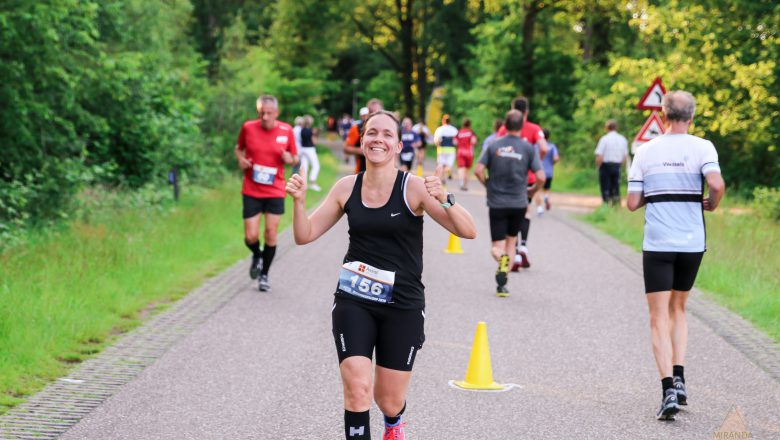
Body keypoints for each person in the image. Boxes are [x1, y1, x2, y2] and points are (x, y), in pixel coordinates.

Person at [285, 111, 477, 439]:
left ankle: (393, 422)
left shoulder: (413, 188)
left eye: (387, 134)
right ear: (361, 141)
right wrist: (299, 203)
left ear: (398, 145)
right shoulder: (346, 188)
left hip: (402, 303)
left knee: (387, 400)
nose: (378, 139)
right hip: (354, 299)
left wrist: (444, 197)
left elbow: (468, 230)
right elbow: (305, 235)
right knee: (358, 390)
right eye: (371, 133)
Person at [626, 91, 725, 421]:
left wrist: (651, 196)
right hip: (692, 243)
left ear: (663, 114)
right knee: (679, 309)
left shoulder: (645, 150)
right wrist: (713, 202)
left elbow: (631, 202)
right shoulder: (703, 147)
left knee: (658, 317)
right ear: (692, 116)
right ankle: (680, 379)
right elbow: (716, 183)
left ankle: (668, 388)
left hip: (658, 244)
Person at [475, 110, 544, 297]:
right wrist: (533, 190)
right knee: (512, 241)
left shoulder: (493, 145)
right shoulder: (528, 148)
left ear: (505, 125)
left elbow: (478, 170)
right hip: (519, 203)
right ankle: (503, 283)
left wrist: (487, 185)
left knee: (497, 246)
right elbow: (541, 177)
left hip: (497, 202)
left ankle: (501, 259)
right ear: (522, 126)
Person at [234, 95, 298, 291]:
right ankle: (257, 254)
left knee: (271, 233)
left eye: (269, 113)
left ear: (276, 113)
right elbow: (238, 149)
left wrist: (289, 158)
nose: (265, 117)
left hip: (275, 189)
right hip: (252, 189)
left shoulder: (286, 130)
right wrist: (241, 160)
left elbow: (295, 158)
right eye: (261, 112)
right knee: (251, 236)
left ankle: (264, 275)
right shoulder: (248, 127)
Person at [497, 97, 548, 271]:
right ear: (526, 111)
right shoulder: (535, 128)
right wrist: (536, 163)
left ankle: (516, 252)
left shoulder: (505, 128)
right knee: (525, 211)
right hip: (528, 177)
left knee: (511, 212)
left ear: (512, 110)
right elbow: (544, 148)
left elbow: (496, 147)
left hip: (508, 177)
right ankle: (523, 246)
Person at [595, 119, 629, 206]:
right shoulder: (622, 139)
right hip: (617, 166)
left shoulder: (604, 139)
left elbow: (599, 155)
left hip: (605, 166)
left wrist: (598, 167)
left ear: (606, 128)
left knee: (605, 186)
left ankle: (606, 203)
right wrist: (621, 166)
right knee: (616, 185)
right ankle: (616, 204)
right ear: (616, 127)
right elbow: (625, 156)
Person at [345, 99, 384, 174]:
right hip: (362, 172)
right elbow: (346, 148)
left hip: (384, 174)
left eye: (378, 112)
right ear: (368, 113)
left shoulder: (388, 128)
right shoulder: (357, 128)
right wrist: (363, 150)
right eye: (372, 112)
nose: (375, 114)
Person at [535, 128, 560, 214]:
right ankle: (546, 197)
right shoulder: (552, 146)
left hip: (538, 171)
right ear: (548, 137)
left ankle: (539, 208)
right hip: (549, 172)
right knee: (546, 189)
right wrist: (552, 163)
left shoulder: (536, 146)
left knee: (537, 190)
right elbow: (556, 158)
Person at [299, 115, 322, 191]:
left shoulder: (302, 130)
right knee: (316, 166)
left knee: (304, 166)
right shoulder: (310, 130)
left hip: (303, 149)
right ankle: (312, 183)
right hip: (309, 149)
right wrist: (315, 134)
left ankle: (303, 184)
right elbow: (314, 142)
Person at [455, 118, 477, 191]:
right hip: (469, 153)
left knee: (461, 168)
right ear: (470, 124)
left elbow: (455, 142)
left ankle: (461, 183)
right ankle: (466, 185)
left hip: (460, 152)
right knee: (467, 170)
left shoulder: (459, 132)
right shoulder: (471, 132)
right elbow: (474, 142)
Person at [433, 114, 458, 180]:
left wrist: (437, 146)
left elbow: (436, 140)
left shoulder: (440, 129)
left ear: (443, 121)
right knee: (448, 164)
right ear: (450, 121)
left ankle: (443, 178)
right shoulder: (454, 130)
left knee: (441, 164)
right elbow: (456, 141)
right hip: (451, 149)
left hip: (441, 149)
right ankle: (448, 170)